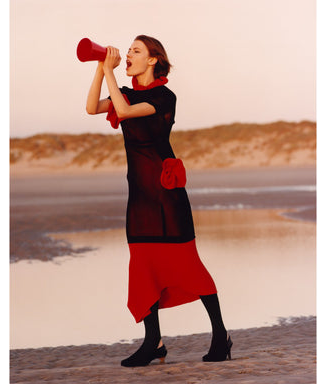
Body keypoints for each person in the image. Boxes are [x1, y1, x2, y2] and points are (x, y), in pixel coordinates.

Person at [85, 35, 232, 367]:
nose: (128, 56)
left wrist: (111, 72)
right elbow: (93, 107)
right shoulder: (128, 92)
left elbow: (123, 111)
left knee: (188, 265)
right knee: (142, 266)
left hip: (166, 193)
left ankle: (220, 335)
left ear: (152, 60)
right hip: (139, 194)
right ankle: (154, 342)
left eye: (136, 51)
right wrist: (100, 67)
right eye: (129, 52)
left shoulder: (164, 96)